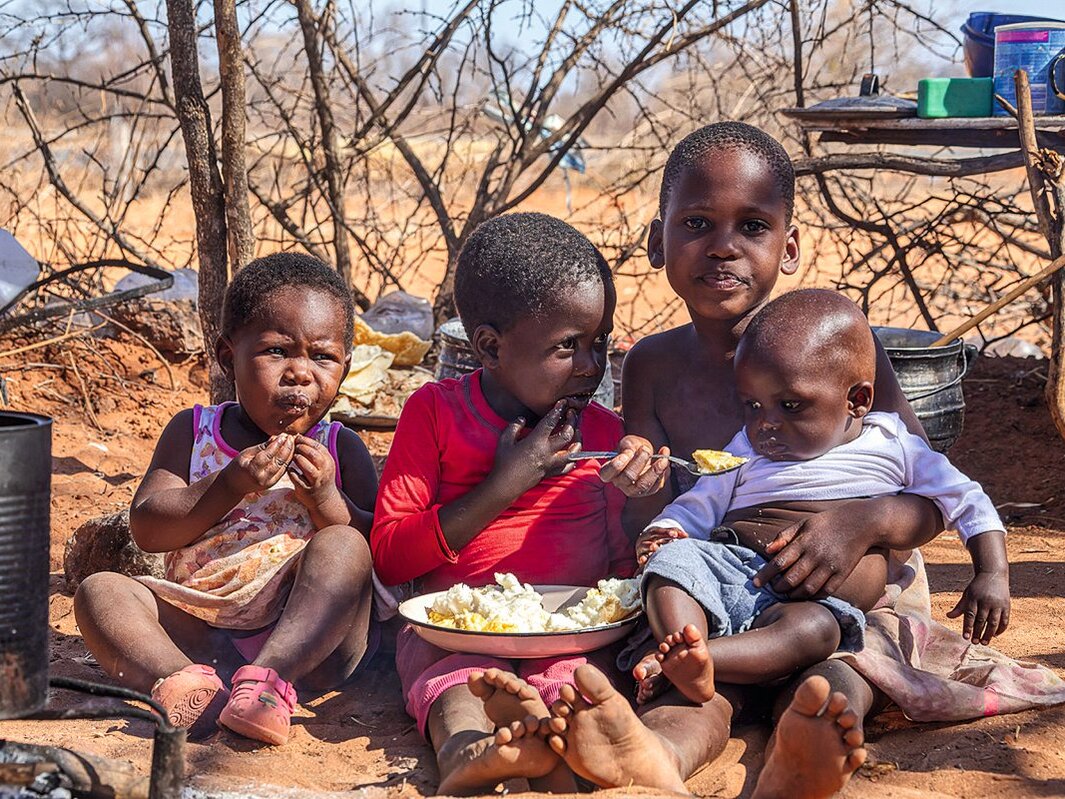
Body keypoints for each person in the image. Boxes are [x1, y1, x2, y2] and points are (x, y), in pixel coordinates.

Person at [586, 120, 1065, 798]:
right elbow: (659, 509)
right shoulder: (650, 366)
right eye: (695, 222)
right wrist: (642, 482)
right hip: (721, 591)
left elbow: (927, 494)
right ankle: (656, 755)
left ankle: (797, 754)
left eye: (751, 226)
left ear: (789, 247)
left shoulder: (839, 344)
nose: (722, 246)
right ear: (654, 238)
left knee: (836, 673)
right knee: (690, 686)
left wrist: (861, 521)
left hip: (851, 604)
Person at [372, 212, 742, 797]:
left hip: (576, 634)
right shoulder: (436, 413)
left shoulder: (603, 433)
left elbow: (626, 571)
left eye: (600, 342)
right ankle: (469, 755)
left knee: (578, 690)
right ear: (489, 346)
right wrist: (506, 484)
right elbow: (392, 557)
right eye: (569, 347)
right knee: (456, 690)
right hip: (454, 633)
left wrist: (641, 503)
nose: (593, 366)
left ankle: (566, 758)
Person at [631, 288, 1009, 707]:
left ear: (857, 401)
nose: (765, 424)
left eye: (790, 405)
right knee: (671, 567)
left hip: (813, 603)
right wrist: (667, 530)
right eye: (752, 405)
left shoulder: (894, 444)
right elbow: (703, 501)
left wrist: (991, 572)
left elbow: (966, 500)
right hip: (733, 569)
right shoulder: (745, 448)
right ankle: (685, 646)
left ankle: (702, 662)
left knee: (817, 632)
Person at [74, 253, 379, 746]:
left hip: (308, 646)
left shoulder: (341, 447)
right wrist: (229, 485)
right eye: (277, 351)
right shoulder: (193, 433)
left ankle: (268, 682)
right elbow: (148, 529)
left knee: (343, 543)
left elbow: (376, 552)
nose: (300, 373)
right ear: (226, 355)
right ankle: (187, 684)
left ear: (345, 368)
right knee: (101, 591)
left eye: (322, 357)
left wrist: (326, 499)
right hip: (196, 630)